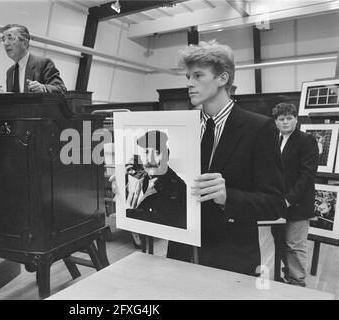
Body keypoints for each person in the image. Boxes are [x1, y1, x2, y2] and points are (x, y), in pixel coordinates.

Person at [165, 40, 286, 276]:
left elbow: (274, 204)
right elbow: (174, 187)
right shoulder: (180, 127)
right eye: (188, 77)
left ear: (222, 78)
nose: (189, 84)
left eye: (198, 75)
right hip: (181, 253)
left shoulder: (259, 128)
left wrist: (227, 197)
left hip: (230, 257)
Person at [271, 102, 318, 286]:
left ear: (296, 120)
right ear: (275, 122)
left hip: (297, 203)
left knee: (295, 245)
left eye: (289, 118)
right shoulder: (275, 140)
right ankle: (288, 273)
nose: (285, 122)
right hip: (278, 204)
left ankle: (298, 282)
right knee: (281, 242)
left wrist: (289, 200)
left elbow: (307, 175)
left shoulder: (306, 140)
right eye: (281, 119)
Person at [125, 130, 187, 229]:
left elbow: (158, 221)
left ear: (167, 154)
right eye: (146, 152)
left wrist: (127, 213)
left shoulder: (176, 188)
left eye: (157, 152)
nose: (150, 159)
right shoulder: (147, 176)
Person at [2, 24, 67, 95]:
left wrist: (44, 88)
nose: (6, 43)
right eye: (3, 39)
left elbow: (61, 89)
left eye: (10, 38)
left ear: (25, 43)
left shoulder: (43, 63)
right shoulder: (10, 72)